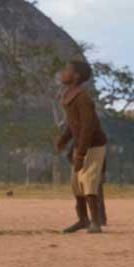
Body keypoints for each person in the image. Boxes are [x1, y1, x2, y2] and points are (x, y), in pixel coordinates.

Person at [54, 58, 107, 234]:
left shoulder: (83, 98)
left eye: (67, 69)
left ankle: (96, 222)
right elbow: (74, 124)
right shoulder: (71, 95)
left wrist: (80, 155)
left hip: (94, 145)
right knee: (76, 184)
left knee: (88, 181)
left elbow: (88, 126)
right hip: (81, 144)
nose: (63, 72)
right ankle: (83, 219)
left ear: (76, 76)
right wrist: (64, 139)